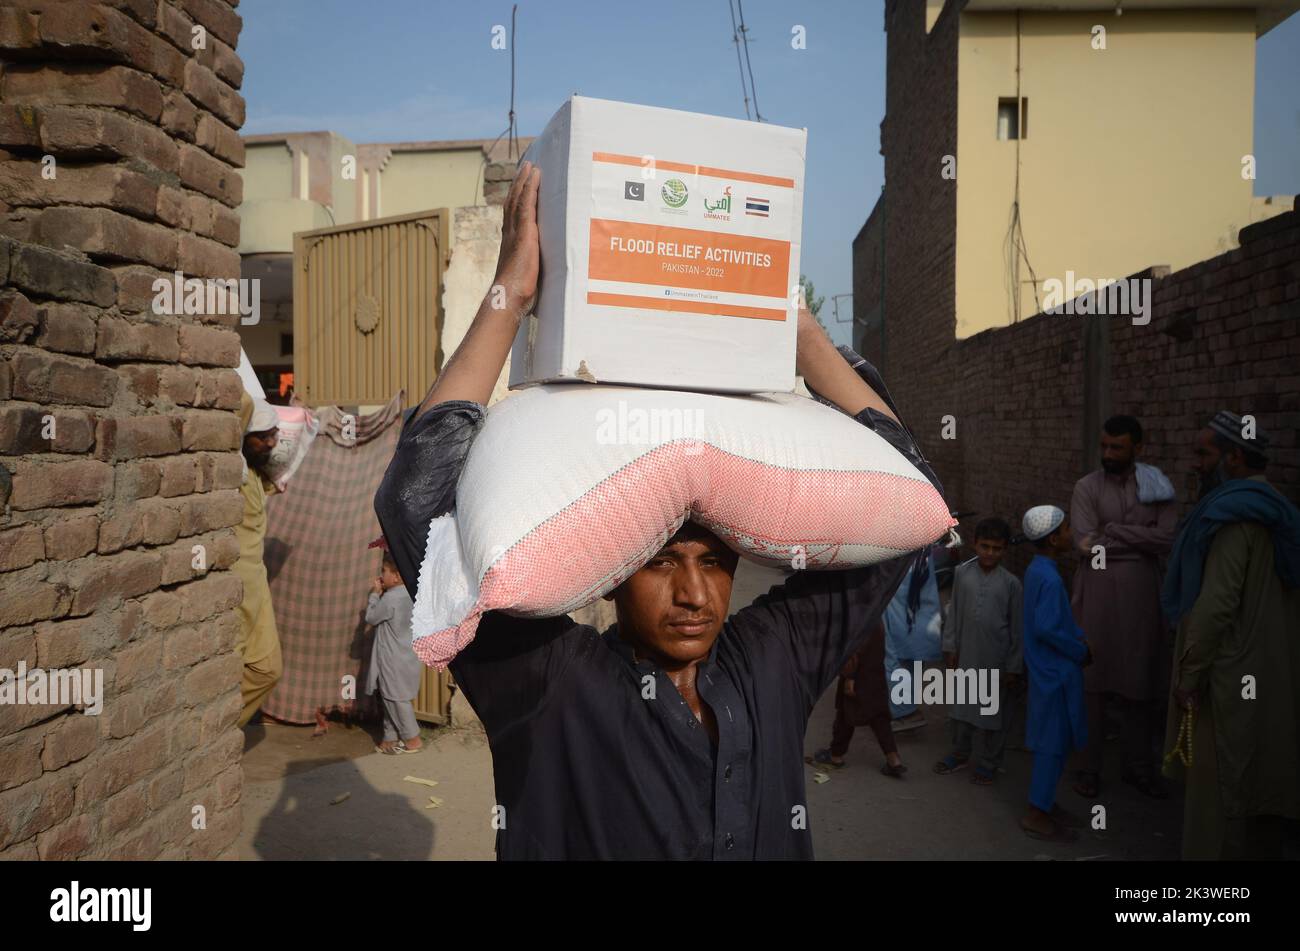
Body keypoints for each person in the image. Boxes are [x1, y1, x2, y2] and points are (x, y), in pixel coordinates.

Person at [373, 160, 945, 860]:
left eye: (712, 562)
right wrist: (509, 295)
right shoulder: (550, 682)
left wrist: (793, 329)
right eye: (662, 562)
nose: (694, 594)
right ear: (613, 570)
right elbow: (414, 500)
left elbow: (908, 484)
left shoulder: (773, 660)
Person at [1161, 411, 1300, 859]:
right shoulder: (1277, 508)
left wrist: (1188, 677)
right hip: (1269, 667)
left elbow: (1216, 606)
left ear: (1234, 457)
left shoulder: (1233, 517)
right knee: (1258, 778)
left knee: (1214, 793)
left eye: (1205, 453)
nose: (1196, 463)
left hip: (1226, 674)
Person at [1069, 415, 1178, 799]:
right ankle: (1088, 767)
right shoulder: (1087, 487)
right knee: (1092, 682)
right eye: (1104, 446)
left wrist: (1114, 531)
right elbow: (1085, 543)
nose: (1108, 454)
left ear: (1138, 448)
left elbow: (1167, 537)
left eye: (1117, 447)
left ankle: (1138, 767)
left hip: (1141, 597)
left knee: (1139, 683)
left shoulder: (1156, 485)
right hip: (1096, 592)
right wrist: (1137, 540)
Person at [1020, 505, 1091, 843]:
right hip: (1055, 671)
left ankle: (1045, 802)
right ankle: (1036, 812)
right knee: (1053, 743)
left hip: (1046, 669)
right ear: (1052, 539)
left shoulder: (1038, 570)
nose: (1069, 534)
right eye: (1064, 530)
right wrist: (1080, 650)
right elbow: (1048, 627)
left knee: (1055, 740)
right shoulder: (1048, 577)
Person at [934, 517, 1022, 785]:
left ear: (1005, 549)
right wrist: (950, 646)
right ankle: (960, 753)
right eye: (985, 546)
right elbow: (954, 613)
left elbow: (1018, 629)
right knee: (962, 709)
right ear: (974, 544)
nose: (990, 553)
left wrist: (1013, 665)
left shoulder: (1011, 584)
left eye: (996, 548)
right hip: (967, 655)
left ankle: (988, 762)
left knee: (993, 714)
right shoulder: (962, 574)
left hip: (996, 660)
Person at [233, 391, 283, 728]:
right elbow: (241, 401)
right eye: (261, 437)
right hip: (234, 589)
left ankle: (222, 729)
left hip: (257, 586)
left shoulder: (253, 473)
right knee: (230, 666)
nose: (269, 443)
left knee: (268, 669)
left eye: (272, 437)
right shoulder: (231, 467)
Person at [807, 622, 907, 778]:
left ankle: (835, 755)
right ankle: (894, 759)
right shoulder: (875, 612)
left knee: (845, 714)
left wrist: (850, 676)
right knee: (878, 716)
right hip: (875, 672)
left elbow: (856, 646)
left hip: (858, 674)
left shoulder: (860, 615)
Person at [364, 538, 425, 755]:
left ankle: (412, 738)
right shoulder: (409, 595)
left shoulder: (390, 599)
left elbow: (371, 618)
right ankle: (389, 739)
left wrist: (374, 595)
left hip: (391, 658)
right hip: (405, 656)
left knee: (395, 699)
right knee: (391, 696)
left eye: (385, 571)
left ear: (397, 576)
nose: (381, 576)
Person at [883, 551, 942, 732]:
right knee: (909, 655)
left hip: (905, 598)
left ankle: (904, 712)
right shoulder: (923, 544)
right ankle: (904, 708)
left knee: (893, 656)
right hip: (912, 602)